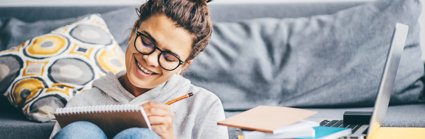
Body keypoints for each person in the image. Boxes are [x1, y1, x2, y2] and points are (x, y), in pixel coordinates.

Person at [49, 0, 229, 138]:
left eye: (168, 57)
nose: (150, 59)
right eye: (146, 42)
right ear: (133, 32)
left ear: (183, 66)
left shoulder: (204, 106)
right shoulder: (84, 102)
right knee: (79, 131)